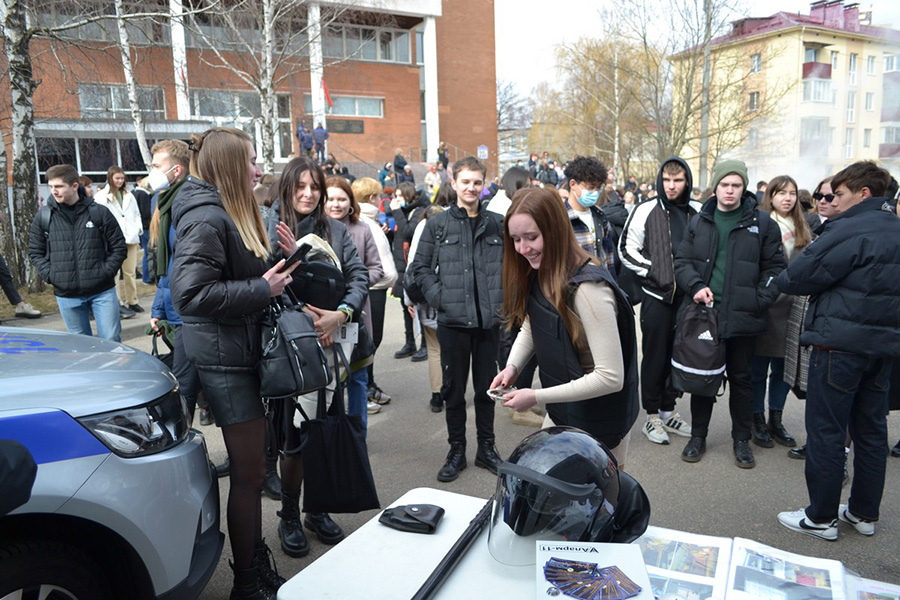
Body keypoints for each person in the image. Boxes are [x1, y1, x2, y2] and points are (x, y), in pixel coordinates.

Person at [170, 127, 295, 599]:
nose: (258, 169)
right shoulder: (206, 217)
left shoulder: (224, 212)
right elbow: (190, 295)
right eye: (250, 160)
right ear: (227, 167)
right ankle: (245, 583)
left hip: (237, 354)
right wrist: (264, 288)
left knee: (252, 472)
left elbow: (241, 276)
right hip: (224, 362)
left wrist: (282, 264)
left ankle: (253, 566)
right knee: (248, 475)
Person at [776, 161, 900, 541]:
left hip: (839, 347)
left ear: (864, 194)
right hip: (883, 349)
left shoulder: (848, 228)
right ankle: (863, 512)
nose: (833, 200)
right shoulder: (896, 230)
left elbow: (796, 277)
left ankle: (821, 517)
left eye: (839, 194)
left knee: (828, 430)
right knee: (871, 430)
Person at [264, 155, 369, 557]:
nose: (308, 194)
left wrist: (340, 314)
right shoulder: (266, 225)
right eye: (300, 186)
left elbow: (359, 276)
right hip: (289, 348)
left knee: (323, 430)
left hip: (334, 342)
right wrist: (309, 317)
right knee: (293, 435)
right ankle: (289, 514)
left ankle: (317, 509)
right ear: (287, 186)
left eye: (315, 188)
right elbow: (268, 283)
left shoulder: (336, 230)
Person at [490, 187, 638, 469]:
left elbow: (610, 377)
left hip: (600, 424)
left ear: (556, 230)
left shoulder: (589, 290)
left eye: (532, 237)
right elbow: (534, 326)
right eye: (516, 239)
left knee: (595, 507)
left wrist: (535, 396)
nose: (522, 249)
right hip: (562, 412)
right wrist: (512, 368)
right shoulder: (540, 271)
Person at [673, 159, 785, 468]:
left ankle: (741, 440)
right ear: (716, 187)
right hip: (704, 315)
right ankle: (698, 436)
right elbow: (682, 261)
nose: (730, 191)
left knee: (741, 380)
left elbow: (776, 269)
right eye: (725, 185)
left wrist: (757, 299)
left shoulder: (763, 224)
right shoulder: (699, 221)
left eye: (736, 185)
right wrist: (695, 285)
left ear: (744, 188)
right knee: (702, 379)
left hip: (742, 317)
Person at [407, 156, 504, 483]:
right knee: (452, 390)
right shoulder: (437, 224)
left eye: (477, 182)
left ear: (484, 183)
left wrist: (502, 300)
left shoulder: (497, 223)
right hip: (452, 323)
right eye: (466, 182)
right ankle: (457, 450)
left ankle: (486, 448)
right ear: (453, 181)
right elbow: (419, 268)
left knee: (486, 390)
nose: (472, 188)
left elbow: (511, 267)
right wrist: (441, 298)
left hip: (488, 323)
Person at [619, 157, 699, 445]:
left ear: (686, 181)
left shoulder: (697, 211)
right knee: (654, 356)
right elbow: (626, 249)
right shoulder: (645, 209)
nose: (672, 186)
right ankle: (651, 415)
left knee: (680, 357)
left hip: (688, 300)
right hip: (657, 296)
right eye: (667, 180)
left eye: (677, 180)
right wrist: (656, 271)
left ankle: (669, 410)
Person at [146, 139, 211, 427]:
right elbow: (167, 264)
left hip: (189, 308)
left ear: (177, 169)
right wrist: (158, 309)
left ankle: (179, 445)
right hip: (175, 305)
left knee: (184, 380)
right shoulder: (164, 200)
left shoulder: (186, 202)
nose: (152, 172)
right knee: (190, 378)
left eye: (156, 166)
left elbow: (183, 265)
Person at [28, 164, 126, 341]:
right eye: (50, 187)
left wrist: (106, 271)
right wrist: (52, 275)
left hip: (102, 291)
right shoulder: (44, 216)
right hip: (67, 294)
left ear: (74, 186)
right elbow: (35, 252)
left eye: (58, 186)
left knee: (111, 340)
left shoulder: (98, 213)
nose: (54, 191)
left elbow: (118, 246)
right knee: (81, 345)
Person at [749, 175, 812, 449]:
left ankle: (776, 418)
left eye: (792, 193)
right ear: (770, 196)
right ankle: (757, 420)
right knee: (757, 369)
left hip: (794, 308)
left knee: (784, 370)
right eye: (781, 192)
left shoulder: (804, 226)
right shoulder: (759, 223)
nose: (787, 197)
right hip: (766, 304)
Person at [324, 175, 385, 417]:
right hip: (323, 317)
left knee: (357, 377)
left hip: (356, 313)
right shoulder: (315, 229)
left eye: (341, 199)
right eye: (330, 199)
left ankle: (358, 435)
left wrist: (351, 286)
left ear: (351, 201)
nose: (336, 204)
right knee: (329, 380)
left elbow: (376, 268)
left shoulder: (363, 229)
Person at [352, 177, 398, 405]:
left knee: (371, 340)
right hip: (372, 288)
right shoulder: (362, 222)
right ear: (372, 198)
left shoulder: (367, 221)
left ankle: (368, 384)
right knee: (370, 340)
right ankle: (366, 386)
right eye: (378, 196)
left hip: (376, 287)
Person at [94, 166, 143, 317]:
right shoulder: (101, 196)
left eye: (122, 178)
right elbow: (99, 217)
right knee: (114, 273)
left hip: (131, 237)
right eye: (117, 178)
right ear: (110, 178)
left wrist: (138, 229)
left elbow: (136, 214)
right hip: (113, 239)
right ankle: (118, 302)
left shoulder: (129, 195)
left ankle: (132, 301)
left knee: (130, 272)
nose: (120, 181)